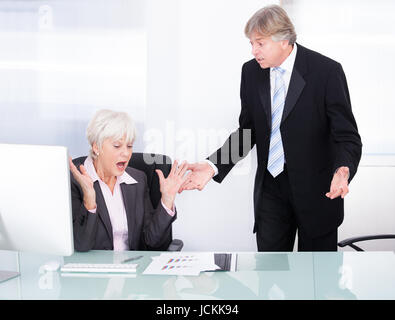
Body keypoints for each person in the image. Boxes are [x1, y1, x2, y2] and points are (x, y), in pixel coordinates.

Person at [180, 5, 362, 251]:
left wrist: (343, 169)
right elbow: (248, 131)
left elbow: (347, 136)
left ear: (284, 40)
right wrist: (213, 166)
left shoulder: (326, 72)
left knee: (316, 279)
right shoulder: (251, 72)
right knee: (269, 275)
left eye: (260, 43)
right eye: (251, 43)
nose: (254, 51)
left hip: (318, 191)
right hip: (271, 191)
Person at [69, 109, 190, 252]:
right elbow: (81, 245)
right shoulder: (74, 180)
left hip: (132, 268)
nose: (126, 153)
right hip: (93, 271)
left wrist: (167, 200)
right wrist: (89, 199)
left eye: (129, 146)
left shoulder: (138, 180)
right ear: (96, 147)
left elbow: (151, 241)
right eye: (117, 146)